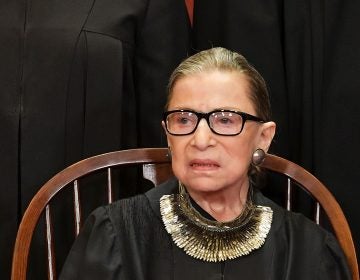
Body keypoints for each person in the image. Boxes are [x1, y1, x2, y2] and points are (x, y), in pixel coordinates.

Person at [59, 47, 351, 279]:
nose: (200, 140)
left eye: (225, 120)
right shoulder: (115, 235)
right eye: (184, 119)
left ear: (263, 137)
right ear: (168, 136)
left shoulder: (309, 252)